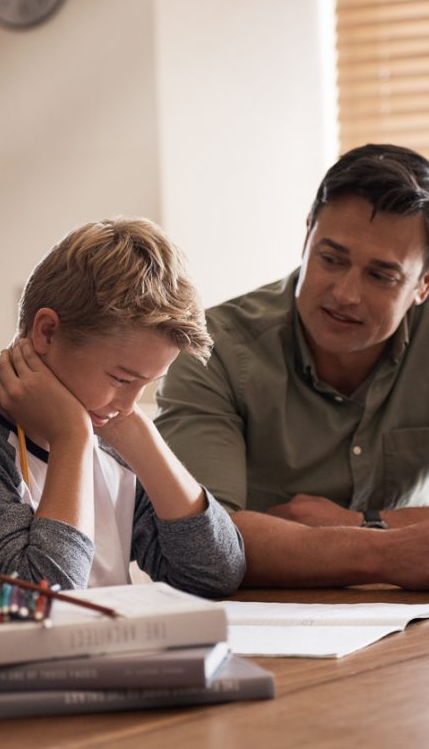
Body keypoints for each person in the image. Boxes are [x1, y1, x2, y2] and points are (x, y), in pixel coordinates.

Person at [0, 217, 245, 604]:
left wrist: (143, 441)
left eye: (147, 383)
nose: (128, 406)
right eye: (122, 378)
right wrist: (71, 438)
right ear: (46, 332)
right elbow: (38, 602)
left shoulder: (110, 433)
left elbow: (213, 574)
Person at [156, 143, 429, 589]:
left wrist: (360, 523)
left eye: (381, 275)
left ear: (423, 285)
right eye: (331, 259)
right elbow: (203, 542)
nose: (345, 294)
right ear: (307, 239)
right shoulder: (212, 350)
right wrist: (392, 549)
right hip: (263, 615)